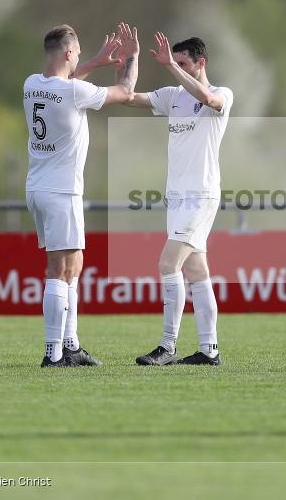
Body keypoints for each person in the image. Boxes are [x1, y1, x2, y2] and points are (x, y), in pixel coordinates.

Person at [113, 27, 233, 366]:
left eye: (183, 63)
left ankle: (167, 346)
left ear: (200, 63)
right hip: (177, 198)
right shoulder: (173, 96)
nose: (176, 68)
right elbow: (128, 96)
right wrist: (130, 59)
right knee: (197, 272)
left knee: (168, 264)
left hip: (200, 196)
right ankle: (210, 351)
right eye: (174, 62)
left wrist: (170, 66)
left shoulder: (220, 93)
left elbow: (209, 100)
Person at [24, 23, 139, 367]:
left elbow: (65, 81)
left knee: (73, 266)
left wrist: (94, 62)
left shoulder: (31, 84)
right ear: (70, 53)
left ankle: (70, 344)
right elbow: (126, 91)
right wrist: (131, 56)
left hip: (37, 187)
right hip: (62, 191)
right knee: (59, 271)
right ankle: (52, 353)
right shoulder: (76, 93)